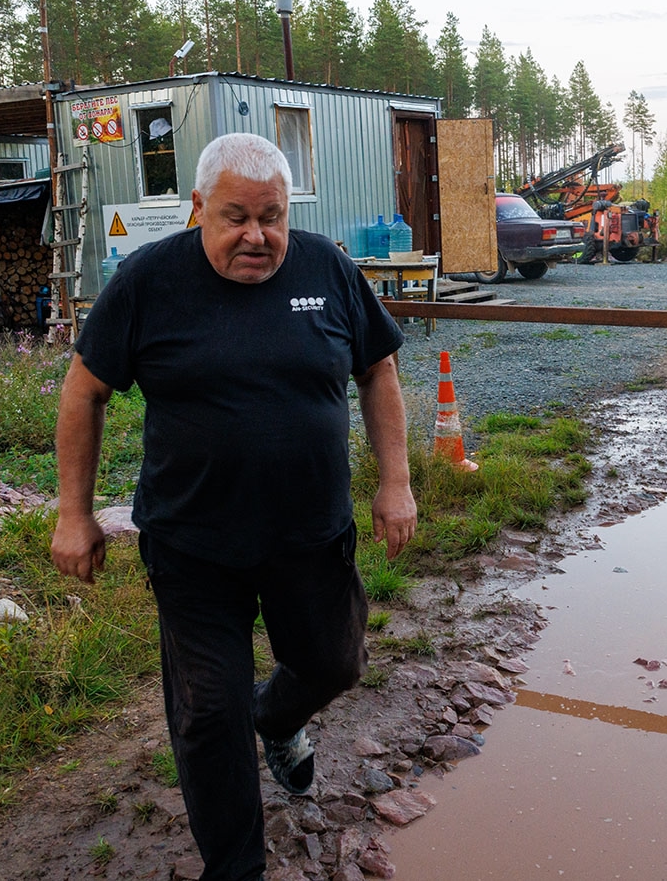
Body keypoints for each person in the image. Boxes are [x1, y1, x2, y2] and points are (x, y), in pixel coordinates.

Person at [51, 132, 417, 881]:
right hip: (193, 544)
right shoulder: (149, 280)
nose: (257, 236)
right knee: (209, 713)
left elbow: (378, 369)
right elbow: (84, 390)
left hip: (310, 534)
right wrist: (73, 513)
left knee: (335, 662)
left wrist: (396, 481)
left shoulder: (327, 268)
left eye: (272, 217)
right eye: (237, 217)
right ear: (198, 209)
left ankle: (276, 717)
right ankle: (236, 867)